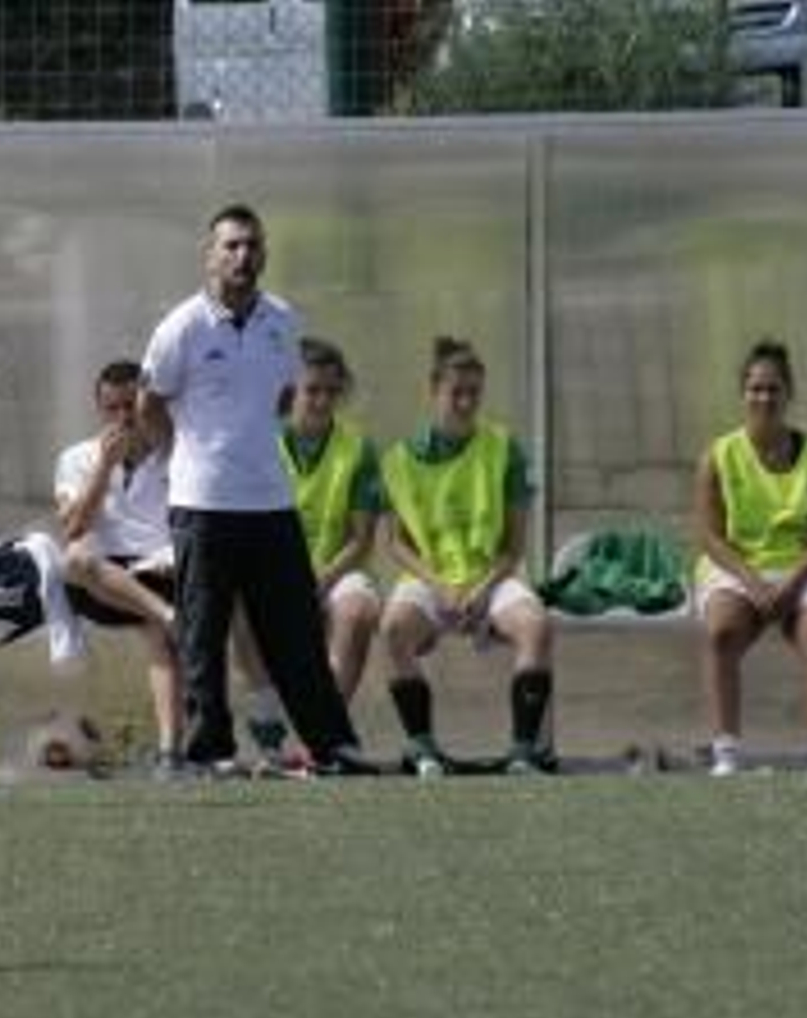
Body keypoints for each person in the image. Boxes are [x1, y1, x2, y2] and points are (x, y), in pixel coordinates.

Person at [137, 203, 373, 776]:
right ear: (210, 255)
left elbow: (282, 399)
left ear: (264, 255)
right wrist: (186, 460)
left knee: (294, 631)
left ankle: (331, 745)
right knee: (203, 634)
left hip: (270, 501)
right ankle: (206, 752)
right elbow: (149, 406)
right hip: (202, 505)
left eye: (252, 246)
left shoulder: (283, 321)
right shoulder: (180, 328)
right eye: (231, 246)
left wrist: (250, 446)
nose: (243, 256)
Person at [379, 337, 556, 777]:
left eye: (474, 393)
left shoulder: (504, 449)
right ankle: (422, 749)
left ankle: (522, 751)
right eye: (455, 392)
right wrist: (440, 587)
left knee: (535, 625)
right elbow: (395, 543)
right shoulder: (398, 459)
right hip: (431, 578)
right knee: (394, 629)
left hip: (491, 577)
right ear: (433, 391)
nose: (465, 402)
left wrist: (481, 589)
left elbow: (514, 547)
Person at [695, 339, 807, 776]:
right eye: (755, 388)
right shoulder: (718, 456)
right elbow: (709, 536)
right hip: (736, 568)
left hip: (803, 566)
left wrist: (792, 584)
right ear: (742, 393)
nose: (764, 397)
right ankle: (726, 751)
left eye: (773, 388)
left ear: (789, 392)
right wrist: (756, 584)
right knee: (722, 632)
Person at [232, 336, 383, 768]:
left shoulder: (358, 449)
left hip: (337, 569)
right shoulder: (259, 443)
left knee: (356, 611)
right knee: (239, 607)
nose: (321, 401)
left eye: (332, 392)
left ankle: (322, 736)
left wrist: (322, 580)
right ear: (289, 391)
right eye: (311, 390)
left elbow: (362, 541)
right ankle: (271, 735)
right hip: (274, 569)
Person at [53, 360, 182, 771]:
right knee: (76, 557)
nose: (124, 417)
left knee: (156, 633)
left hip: (159, 572)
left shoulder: (175, 454)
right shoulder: (76, 459)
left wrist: (170, 560)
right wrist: (103, 468)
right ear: (99, 408)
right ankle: (167, 616)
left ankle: (169, 751)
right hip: (102, 583)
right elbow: (73, 528)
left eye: (131, 406)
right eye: (113, 408)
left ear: (146, 404)